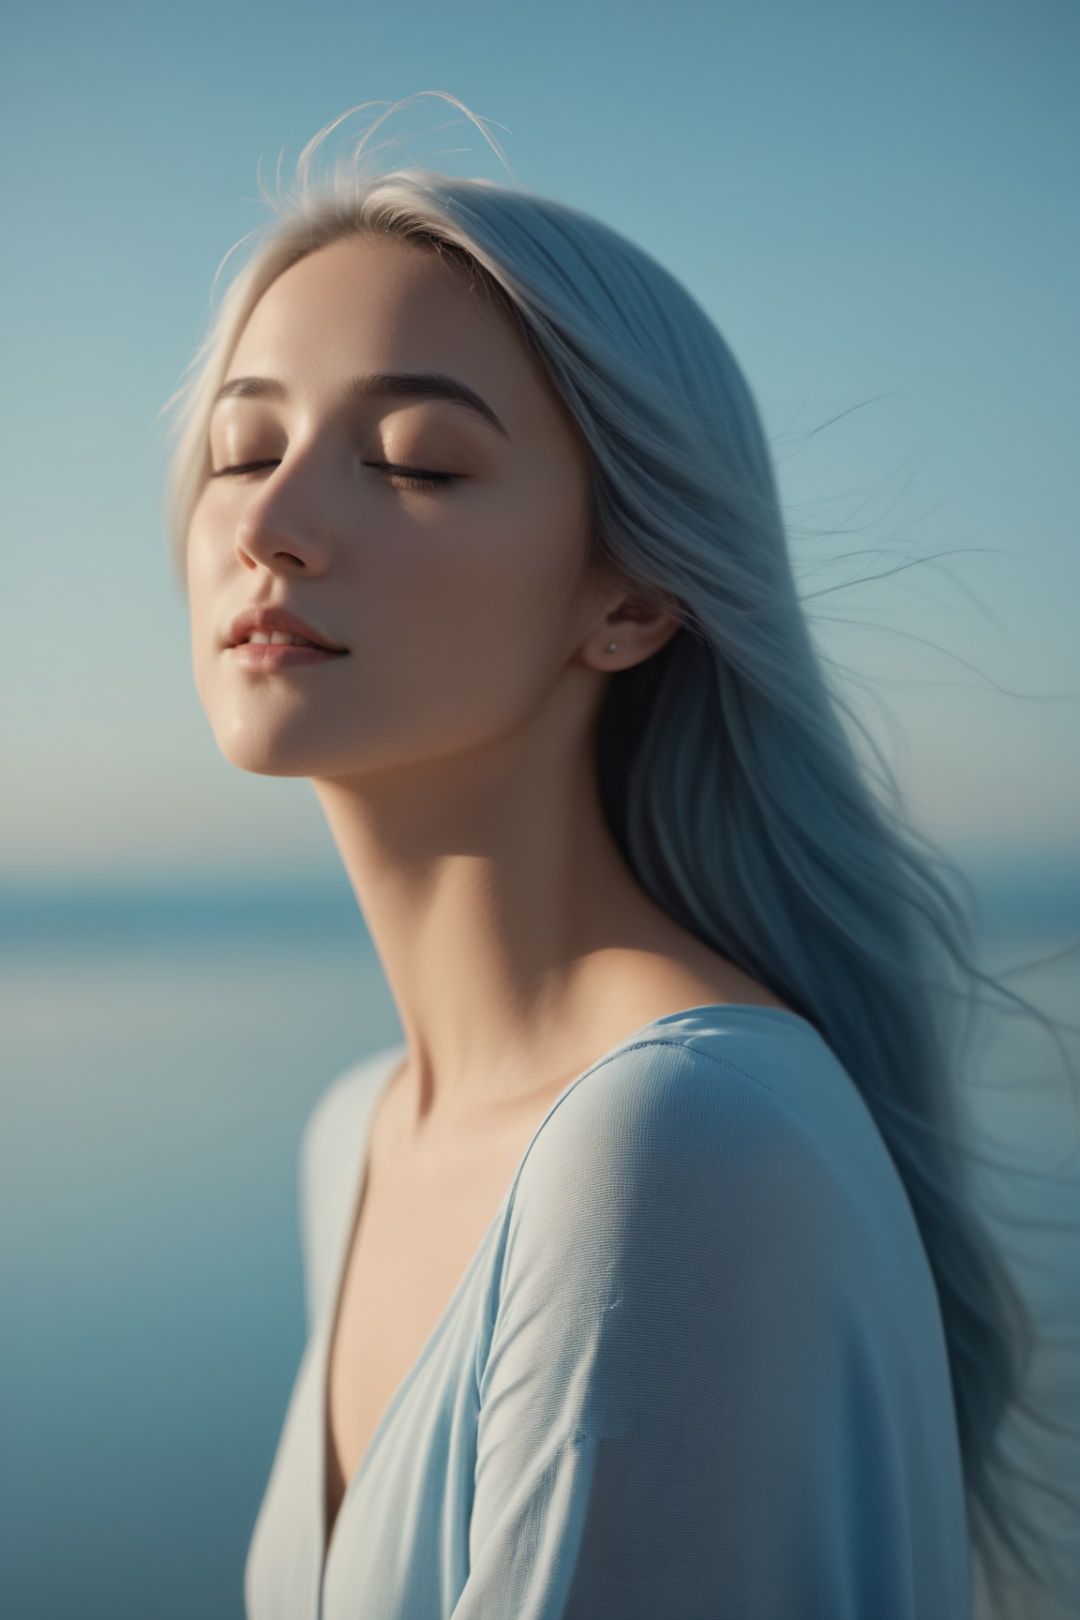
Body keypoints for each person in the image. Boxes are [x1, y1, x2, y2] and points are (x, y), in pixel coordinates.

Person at [162, 92, 1070, 1620]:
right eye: (243, 448)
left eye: (417, 462)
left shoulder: (676, 1143)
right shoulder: (359, 1139)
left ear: (634, 602)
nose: (277, 521)